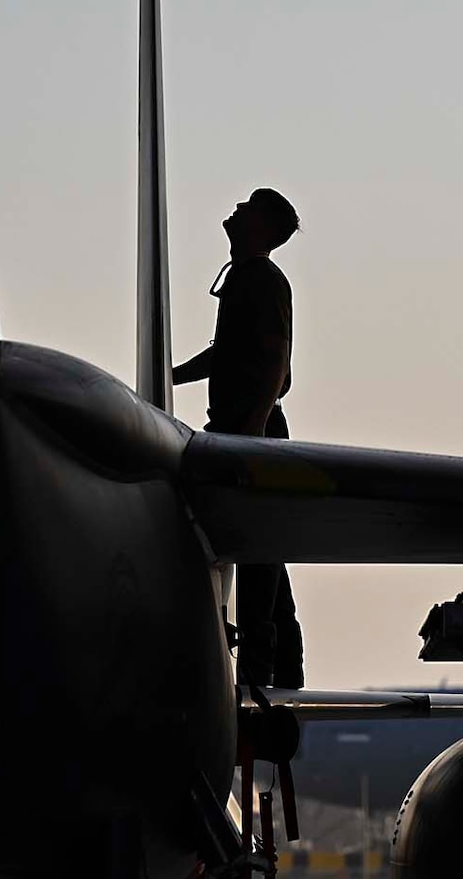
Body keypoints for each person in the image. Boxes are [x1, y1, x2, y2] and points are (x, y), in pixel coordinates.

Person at [173, 187, 304, 690]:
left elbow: (275, 362)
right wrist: (168, 377)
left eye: (249, 207)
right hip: (242, 431)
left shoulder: (263, 280)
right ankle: (275, 669)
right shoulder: (246, 280)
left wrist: (249, 438)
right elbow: (224, 354)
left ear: (264, 228)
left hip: (252, 435)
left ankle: (259, 676)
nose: (236, 210)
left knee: (259, 558)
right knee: (263, 556)